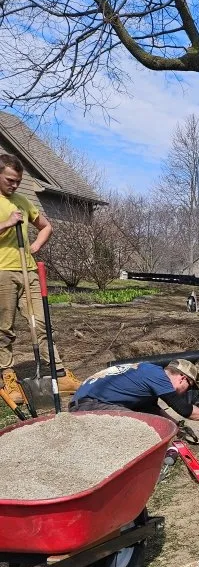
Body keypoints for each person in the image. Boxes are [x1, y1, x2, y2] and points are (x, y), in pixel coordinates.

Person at [0, 153, 81, 403]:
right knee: (4, 329)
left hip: (29, 270)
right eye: (9, 180)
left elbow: (46, 226)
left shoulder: (23, 201)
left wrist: (34, 247)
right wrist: (7, 222)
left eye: (17, 181)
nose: (14, 185)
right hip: (2, 271)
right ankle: (7, 376)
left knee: (42, 323)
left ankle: (58, 373)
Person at [69, 358, 199, 423]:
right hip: (92, 406)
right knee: (142, 426)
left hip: (81, 403)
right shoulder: (158, 377)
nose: (186, 392)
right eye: (189, 387)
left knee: (148, 419)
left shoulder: (146, 372)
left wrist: (173, 425)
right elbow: (184, 410)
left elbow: (152, 409)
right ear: (182, 378)